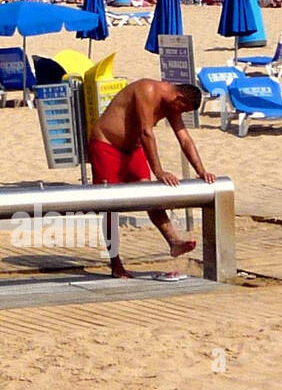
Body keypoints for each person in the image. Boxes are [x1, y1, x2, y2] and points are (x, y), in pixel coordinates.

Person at [87, 79, 215, 278]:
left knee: (150, 194)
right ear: (179, 99)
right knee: (110, 207)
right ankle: (115, 263)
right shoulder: (147, 90)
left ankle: (173, 241)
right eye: (183, 110)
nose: (180, 115)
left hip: (133, 149)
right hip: (106, 144)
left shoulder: (172, 105)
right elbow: (146, 132)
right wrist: (159, 172)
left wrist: (201, 171)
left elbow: (184, 139)